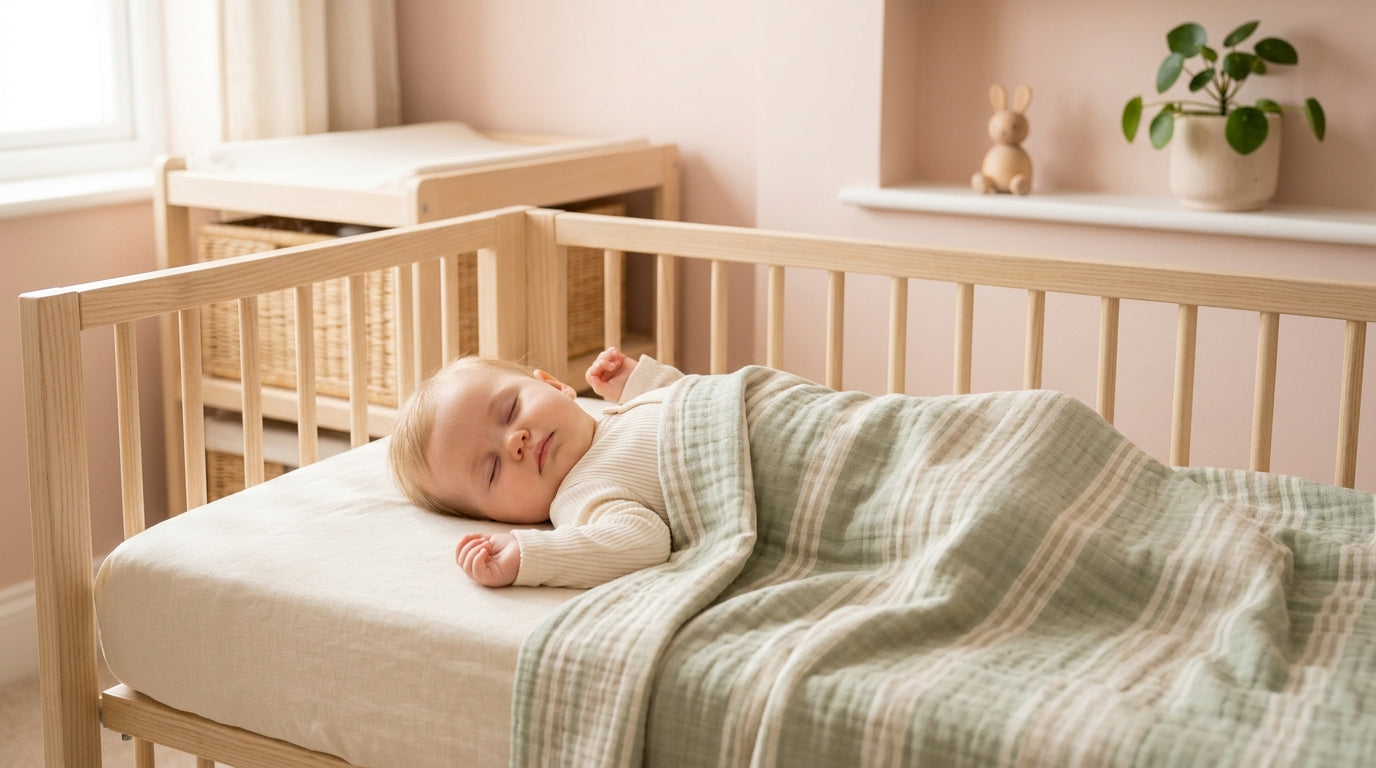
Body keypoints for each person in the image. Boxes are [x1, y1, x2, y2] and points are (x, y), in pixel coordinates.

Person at [389, 347, 683, 589]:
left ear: (553, 384)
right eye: (492, 469)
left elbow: (692, 398)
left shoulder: (623, 409)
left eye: (510, 411)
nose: (514, 442)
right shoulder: (582, 496)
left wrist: (641, 382)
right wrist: (529, 554)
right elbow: (642, 542)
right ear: (497, 518)